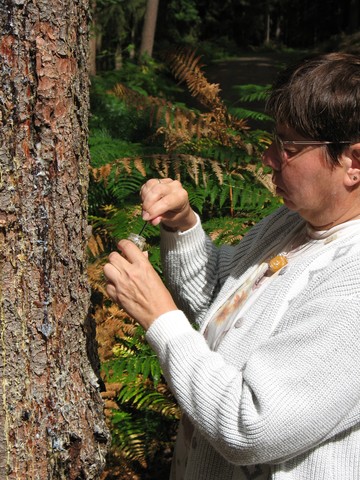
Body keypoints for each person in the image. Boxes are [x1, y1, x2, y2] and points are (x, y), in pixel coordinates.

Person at [103, 52, 360, 479]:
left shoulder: (354, 283)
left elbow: (250, 425)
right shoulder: (293, 222)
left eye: (289, 148)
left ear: (354, 161)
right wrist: (182, 226)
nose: (269, 158)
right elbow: (222, 306)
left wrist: (159, 318)